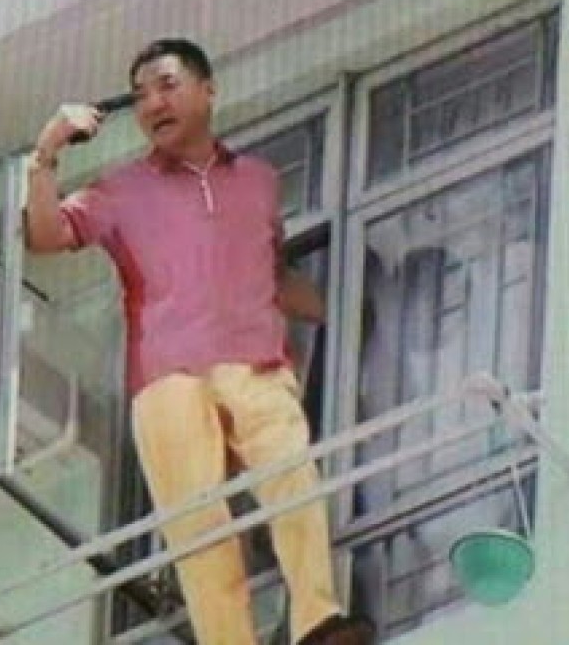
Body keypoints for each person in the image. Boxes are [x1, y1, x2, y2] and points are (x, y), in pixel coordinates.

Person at [24, 38, 375, 645]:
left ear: (208, 89)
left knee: (292, 477)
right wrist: (46, 154)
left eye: (166, 84)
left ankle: (318, 623)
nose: (153, 103)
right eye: (140, 96)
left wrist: (348, 312)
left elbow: (268, 275)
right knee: (200, 527)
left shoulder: (260, 182)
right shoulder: (121, 189)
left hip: (257, 359)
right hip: (167, 377)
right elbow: (47, 234)